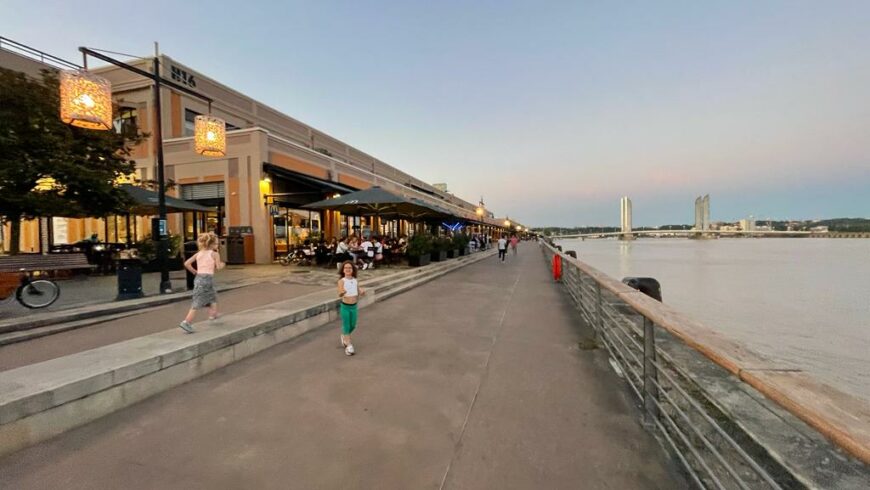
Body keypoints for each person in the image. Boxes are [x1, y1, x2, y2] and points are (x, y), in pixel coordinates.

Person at [179, 233, 225, 333]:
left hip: (199, 278)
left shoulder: (198, 253)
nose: (217, 246)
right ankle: (186, 322)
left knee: (212, 295)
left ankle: (213, 314)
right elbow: (218, 267)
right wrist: (222, 264)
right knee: (198, 302)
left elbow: (186, 263)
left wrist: (194, 271)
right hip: (207, 279)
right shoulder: (214, 254)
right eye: (216, 244)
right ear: (211, 244)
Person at [337, 260, 365, 356]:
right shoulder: (341, 281)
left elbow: (358, 289)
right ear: (343, 270)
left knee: (353, 325)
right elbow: (340, 291)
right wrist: (342, 292)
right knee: (346, 325)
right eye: (346, 268)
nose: (348, 269)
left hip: (354, 306)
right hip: (345, 307)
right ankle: (349, 346)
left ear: (353, 270)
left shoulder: (355, 280)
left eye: (350, 268)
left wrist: (361, 291)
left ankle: (344, 336)